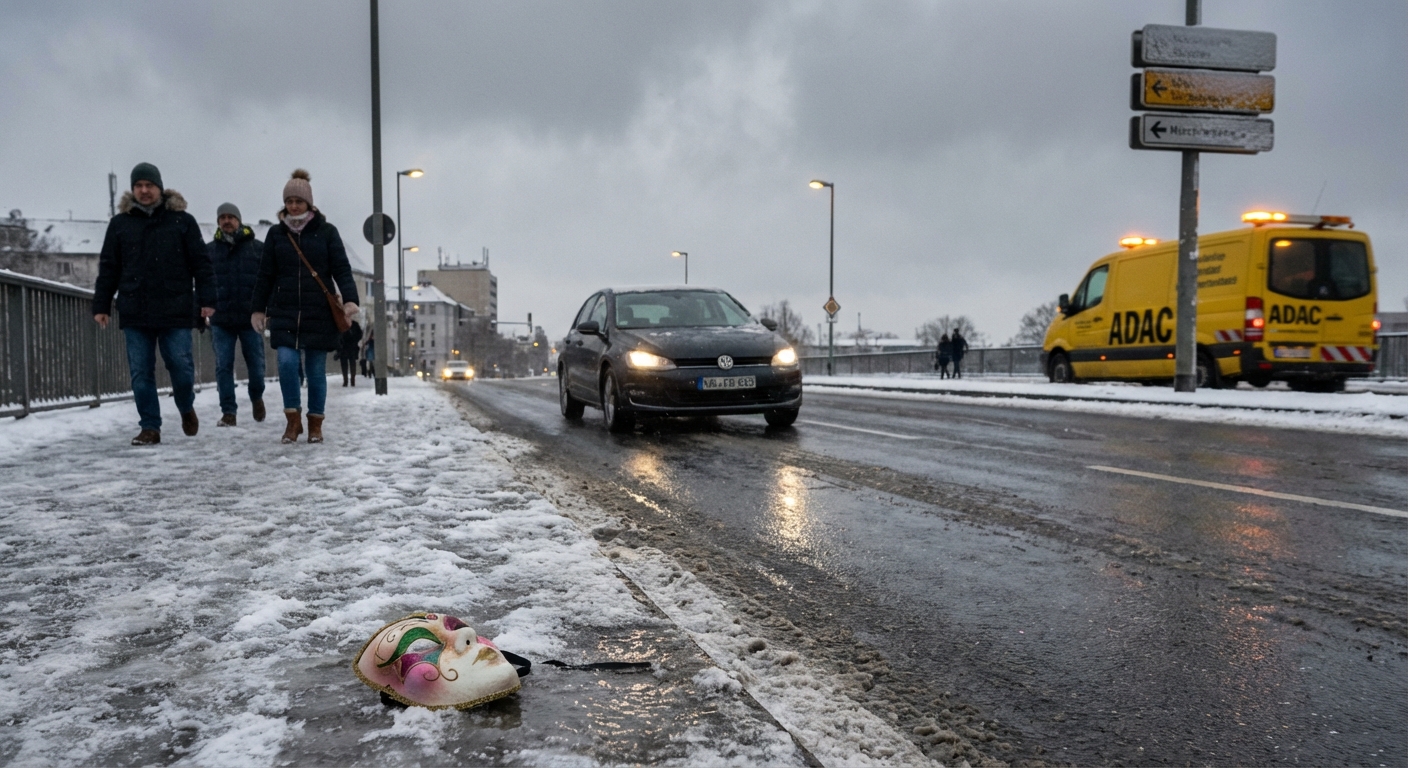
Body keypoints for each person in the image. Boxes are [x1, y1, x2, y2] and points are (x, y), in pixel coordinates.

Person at [92, 162, 215, 445]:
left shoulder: (182, 221)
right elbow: (109, 266)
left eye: (149, 185)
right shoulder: (120, 224)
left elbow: (202, 264)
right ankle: (150, 427)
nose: (144, 190)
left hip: (176, 307)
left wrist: (207, 300)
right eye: (139, 186)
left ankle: (185, 406)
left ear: (160, 187)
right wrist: (101, 305)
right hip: (135, 307)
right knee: (140, 371)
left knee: (181, 367)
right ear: (133, 190)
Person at [250, 169, 359, 444]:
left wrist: (350, 299)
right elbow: (265, 274)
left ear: (309, 203)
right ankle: (292, 421)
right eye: (289, 201)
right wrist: (258, 308)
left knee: (315, 370)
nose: (294, 206)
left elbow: (342, 269)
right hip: (285, 310)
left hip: (318, 312)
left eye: (299, 201)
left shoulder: (326, 232)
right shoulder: (276, 234)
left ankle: (315, 424)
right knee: (286, 363)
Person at [207, 202, 266, 426]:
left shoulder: (256, 249)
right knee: (223, 366)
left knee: (257, 366)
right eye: (222, 217)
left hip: (250, 318)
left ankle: (256, 396)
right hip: (221, 319)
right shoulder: (209, 251)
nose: (227, 221)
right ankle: (228, 412)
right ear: (218, 222)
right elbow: (201, 282)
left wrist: (265, 309)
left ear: (239, 221)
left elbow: (266, 281)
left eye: (231, 217)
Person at [337, 320, 364, 386]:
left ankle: (346, 380)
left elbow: (338, 334)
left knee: (345, 364)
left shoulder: (341, 323)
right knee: (351, 363)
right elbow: (360, 334)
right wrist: (355, 340)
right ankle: (351, 380)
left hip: (344, 347)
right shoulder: (354, 324)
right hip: (351, 346)